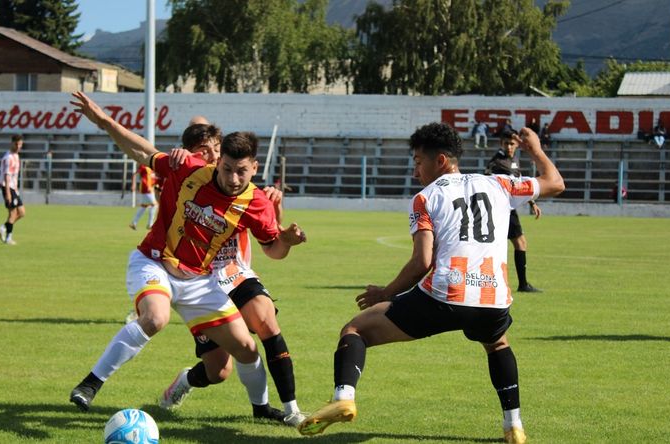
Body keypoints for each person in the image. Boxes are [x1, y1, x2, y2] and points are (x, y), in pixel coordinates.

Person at [297, 123, 564, 444]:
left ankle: (343, 397)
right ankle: (514, 427)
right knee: (497, 344)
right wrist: (535, 149)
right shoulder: (499, 183)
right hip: (493, 298)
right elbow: (555, 183)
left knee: (355, 329)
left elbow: (422, 262)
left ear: (440, 161)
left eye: (418, 162)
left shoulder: (426, 197)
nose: (415, 171)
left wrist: (385, 293)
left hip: (446, 294)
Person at [67, 91, 307, 423]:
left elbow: (273, 250)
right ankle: (90, 384)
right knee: (156, 318)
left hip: (200, 281)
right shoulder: (189, 168)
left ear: (254, 167)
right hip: (155, 262)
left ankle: (261, 409)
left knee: (246, 349)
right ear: (218, 162)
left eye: (240, 171)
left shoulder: (256, 203)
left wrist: (287, 241)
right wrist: (105, 122)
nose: (232, 178)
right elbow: (143, 151)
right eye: (226, 169)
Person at [158, 125, 305, 427]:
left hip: (235, 273)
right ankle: (186, 380)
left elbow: (272, 245)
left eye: (215, 148)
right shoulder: (190, 177)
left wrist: (284, 233)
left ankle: (289, 410)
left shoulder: (248, 192)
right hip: (198, 281)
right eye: (205, 151)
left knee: (266, 320)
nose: (211, 155)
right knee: (218, 371)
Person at [485, 128, 542, 293]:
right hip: (502, 208)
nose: (509, 147)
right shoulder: (498, 162)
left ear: (517, 144)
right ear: (501, 144)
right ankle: (522, 284)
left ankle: (515, 283)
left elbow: (519, 182)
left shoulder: (514, 159)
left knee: (511, 243)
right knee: (520, 243)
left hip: (507, 208)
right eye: (506, 144)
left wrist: (532, 203)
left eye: (512, 144)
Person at [0, 135, 25, 245]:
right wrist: (8, 193)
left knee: (22, 213)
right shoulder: (8, 158)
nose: (18, 146)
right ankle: (8, 238)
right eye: (16, 144)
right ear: (11, 143)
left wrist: (15, 190)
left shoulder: (16, 155)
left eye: (20, 144)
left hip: (13, 188)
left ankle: (2, 228)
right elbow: (7, 176)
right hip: (8, 187)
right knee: (13, 213)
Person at [129, 164, 158, 230]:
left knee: (144, 206)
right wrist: (133, 185)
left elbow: (152, 178)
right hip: (146, 188)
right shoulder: (143, 166)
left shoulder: (151, 166)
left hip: (150, 188)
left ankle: (133, 223)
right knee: (154, 205)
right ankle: (150, 224)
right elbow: (134, 174)